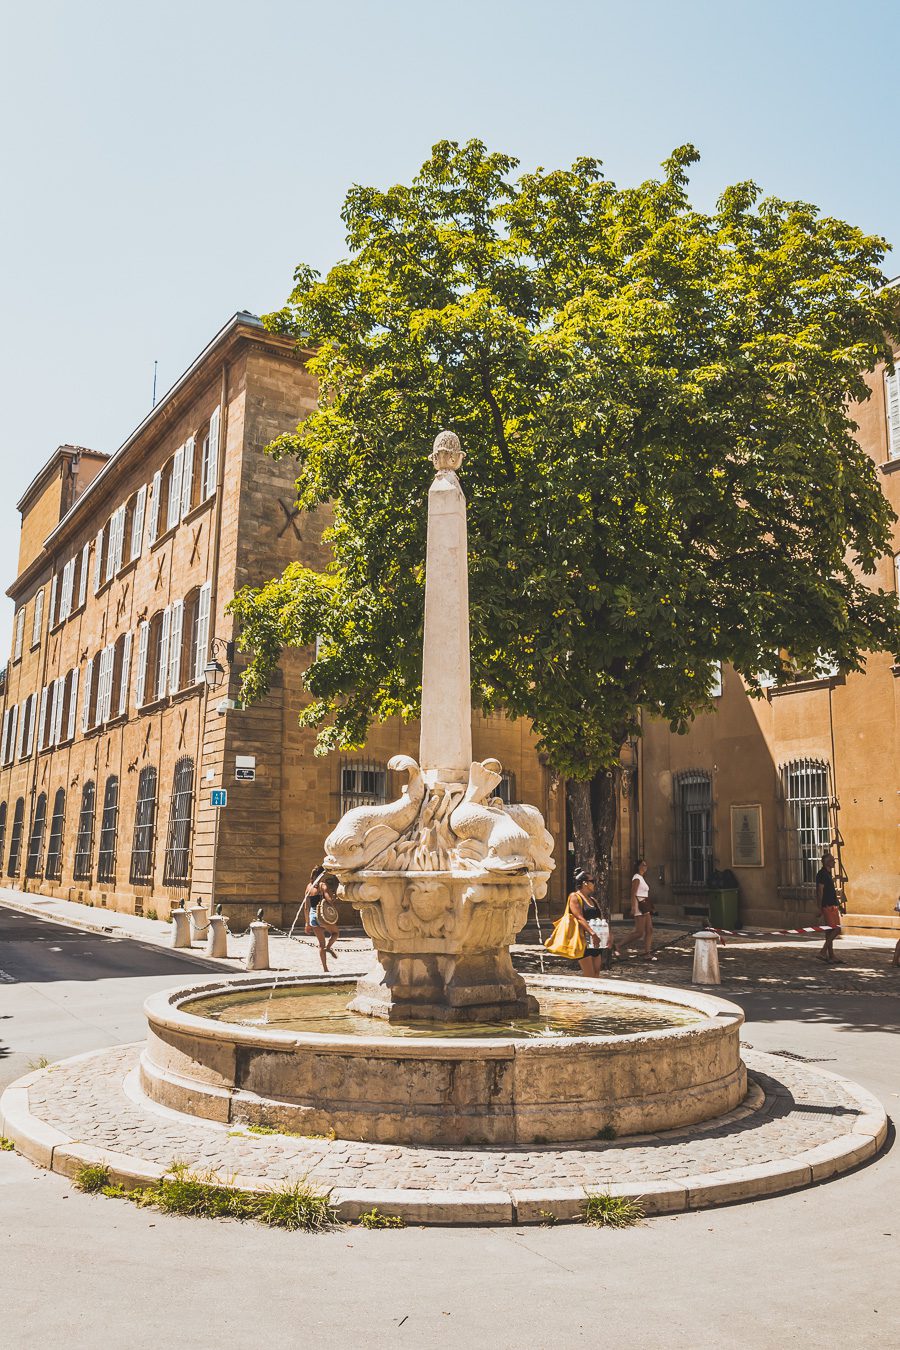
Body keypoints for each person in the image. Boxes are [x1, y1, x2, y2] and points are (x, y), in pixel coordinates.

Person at [567, 869, 609, 977]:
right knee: (589, 975)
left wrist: (609, 935)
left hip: (595, 942)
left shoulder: (593, 900)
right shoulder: (574, 897)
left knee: (596, 974)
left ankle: (594, 994)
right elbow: (579, 918)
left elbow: (601, 919)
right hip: (583, 941)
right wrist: (592, 933)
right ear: (585, 883)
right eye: (592, 881)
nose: (594, 884)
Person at [617, 859, 656, 961]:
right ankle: (618, 945)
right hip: (640, 906)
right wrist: (634, 907)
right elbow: (633, 893)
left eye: (646, 865)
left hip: (645, 905)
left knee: (649, 930)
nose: (645, 867)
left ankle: (647, 953)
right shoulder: (637, 878)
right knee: (639, 932)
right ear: (638, 866)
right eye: (643, 865)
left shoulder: (642, 878)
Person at [816, 851, 842, 963]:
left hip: (832, 905)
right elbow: (819, 891)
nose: (834, 862)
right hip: (827, 906)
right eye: (832, 860)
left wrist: (838, 904)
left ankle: (831, 956)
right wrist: (819, 907)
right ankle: (822, 951)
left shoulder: (828, 873)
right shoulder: (821, 874)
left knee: (829, 931)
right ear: (827, 862)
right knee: (836, 929)